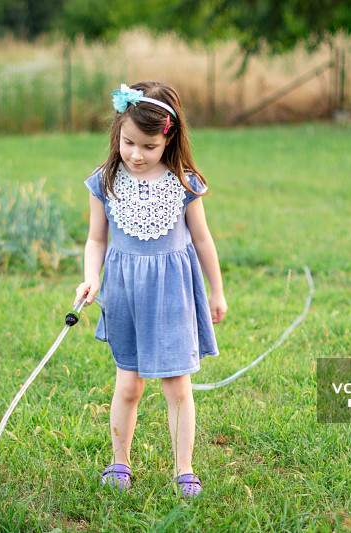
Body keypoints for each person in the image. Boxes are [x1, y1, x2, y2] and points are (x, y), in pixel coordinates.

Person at [74, 81, 227, 498]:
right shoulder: (104, 182)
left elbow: (203, 240)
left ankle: (184, 470)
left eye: (147, 146)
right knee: (129, 384)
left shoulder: (184, 183)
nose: (136, 155)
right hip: (124, 294)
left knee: (177, 386)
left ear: (168, 139)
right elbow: (96, 240)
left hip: (172, 293)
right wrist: (91, 277)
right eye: (128, 142)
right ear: (117, 134)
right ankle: (120, 462)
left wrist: (217, 291)